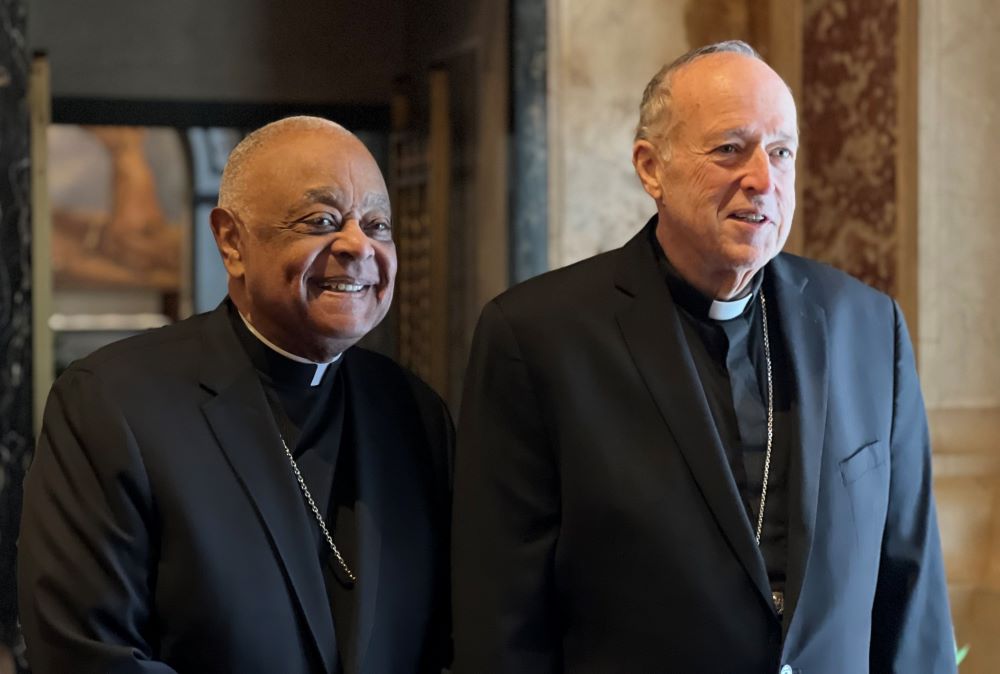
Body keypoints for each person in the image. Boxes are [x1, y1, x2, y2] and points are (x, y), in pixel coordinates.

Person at [453, 41, 955, 673]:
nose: (762, 179)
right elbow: (501, 621)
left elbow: (911, 592)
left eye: (780, 153)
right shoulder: (538, 337)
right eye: (729, 149)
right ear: (650, 167)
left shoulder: (867, 327)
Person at [19, 116, 453, 673]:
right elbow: (88, 654)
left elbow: (453, 637)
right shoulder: (114, 403)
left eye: (377, 224)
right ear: (232, 241)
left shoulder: (412, 412)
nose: (357, 246)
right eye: (321, 220)